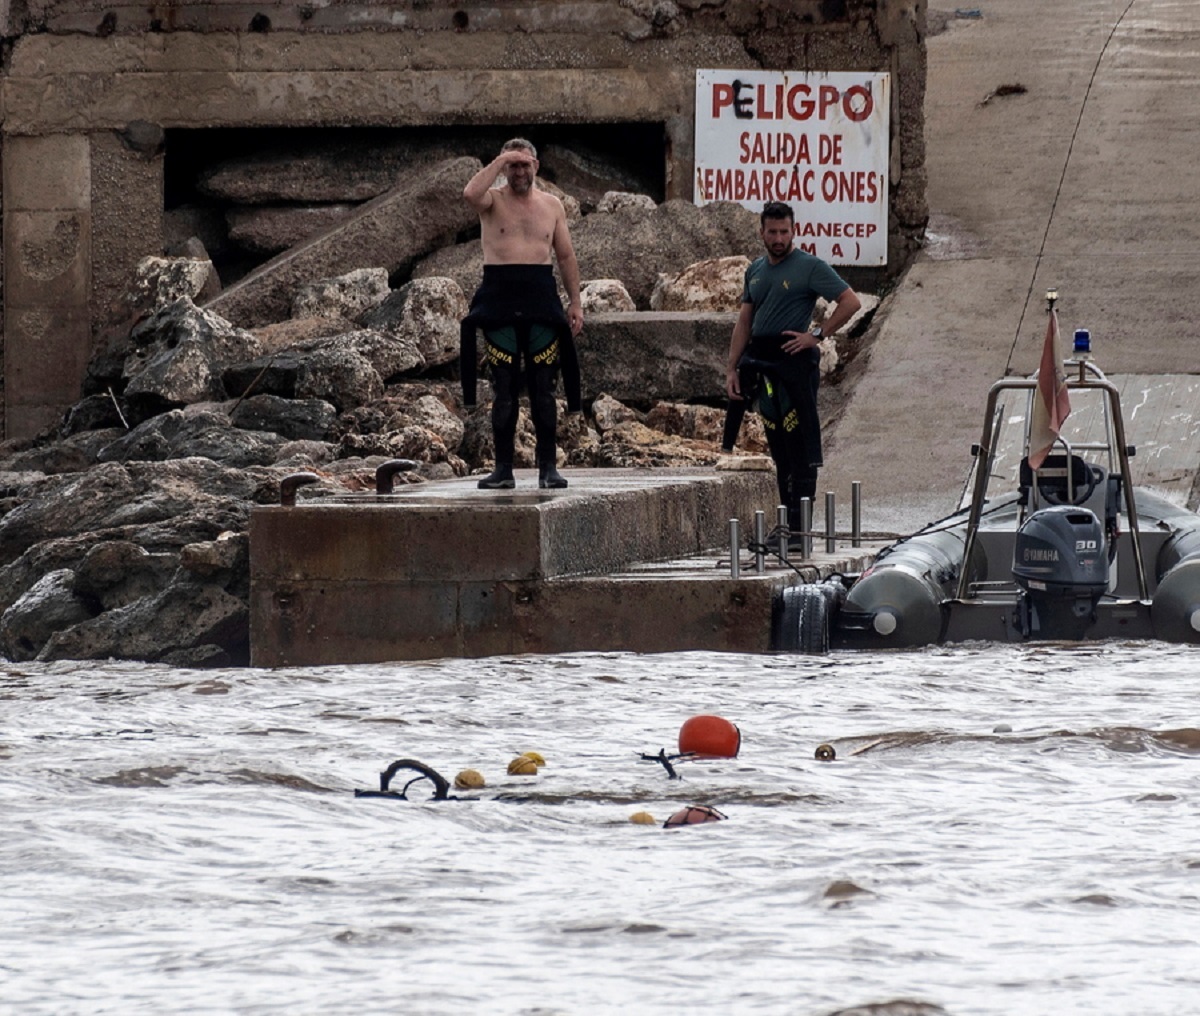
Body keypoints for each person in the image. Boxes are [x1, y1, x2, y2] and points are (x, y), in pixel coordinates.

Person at [723, 200, 862, 537]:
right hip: (762, 363)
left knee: (799, 447)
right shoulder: (755, 270)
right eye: (773, 232)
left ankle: (799, 528)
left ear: (794, 231)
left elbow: (851, 301)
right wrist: (732, 368)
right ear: (762, 233)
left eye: (785, 231)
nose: (779, 238)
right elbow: (745, 320)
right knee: (778, 450)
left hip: (794, 364)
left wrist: (816, 336)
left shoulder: (809, 266)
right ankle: (785, 526)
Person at [460, 138, 584, 489]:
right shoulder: (492, 200)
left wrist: (575, 302)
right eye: (513, 165)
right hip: (499, 296)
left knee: (543, 387)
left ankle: (548, 467)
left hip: (540, 297)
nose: (519, 171)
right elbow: (470, 194)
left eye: (524, 164)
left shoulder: (552, 205)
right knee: (505, 387)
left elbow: (565, 257)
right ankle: (503, 469)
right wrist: (500, 160)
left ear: (536, 167)